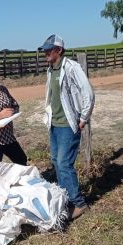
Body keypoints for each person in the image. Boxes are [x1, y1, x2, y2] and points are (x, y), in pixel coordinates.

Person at [39, 34, 95, 220]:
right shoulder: (51, 69)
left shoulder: (71, 67)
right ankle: (66, 198)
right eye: (45, 50)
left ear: (59, 50)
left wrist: (84, 117)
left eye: (49, 50)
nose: (45, 53)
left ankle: (78, 204)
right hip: (54, 124)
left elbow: (87, 92)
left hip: (68, 124)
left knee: (64, 163)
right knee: (56, 161)